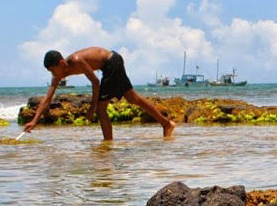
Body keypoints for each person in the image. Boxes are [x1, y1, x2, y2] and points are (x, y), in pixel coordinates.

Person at [24, 46, 177, 140]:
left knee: (101, 108)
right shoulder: (57, 75)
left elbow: (95, 82)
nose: (53, 74)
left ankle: (108, 143)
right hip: (110, 64)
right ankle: (166, 124)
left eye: (52, 70)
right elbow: (47, 98)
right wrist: (34, 121)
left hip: (111, 62)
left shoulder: (76, 61)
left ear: (61, 63)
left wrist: (92, 108)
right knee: (133, 98)